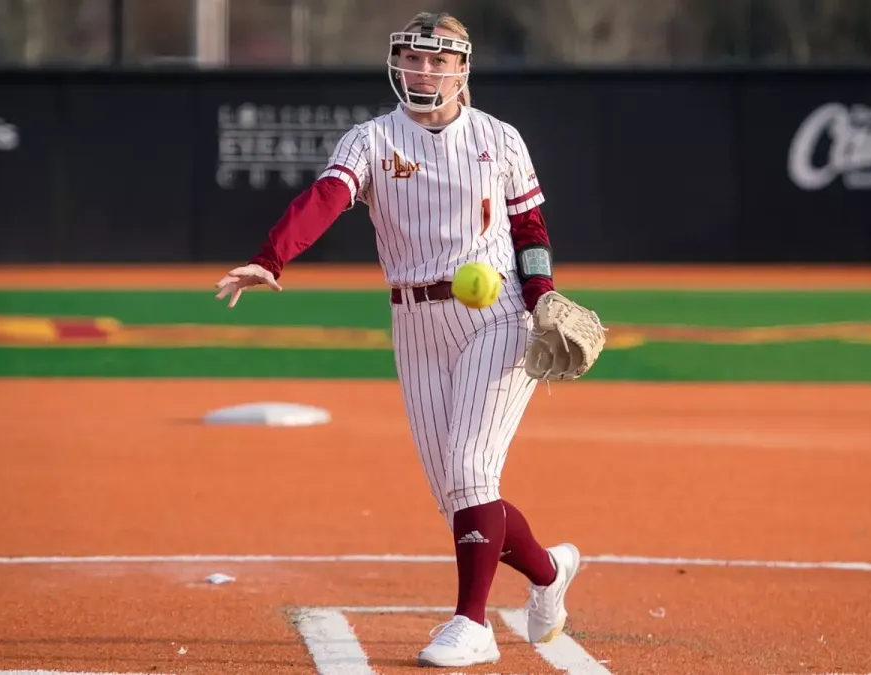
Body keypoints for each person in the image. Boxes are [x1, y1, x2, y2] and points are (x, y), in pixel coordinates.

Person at [213, 10, 605, 669]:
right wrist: (271, 257)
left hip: (498, 315)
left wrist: (542, 300)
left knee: (472, 470)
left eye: (436, 60)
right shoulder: (371, 141)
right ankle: (548, 571)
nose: (422, 70)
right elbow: (326, 198)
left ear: (462, 68)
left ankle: (471, 623)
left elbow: (530, 231)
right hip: (415, 321)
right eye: (412, 58)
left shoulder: (499, 139)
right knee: (457, 491)